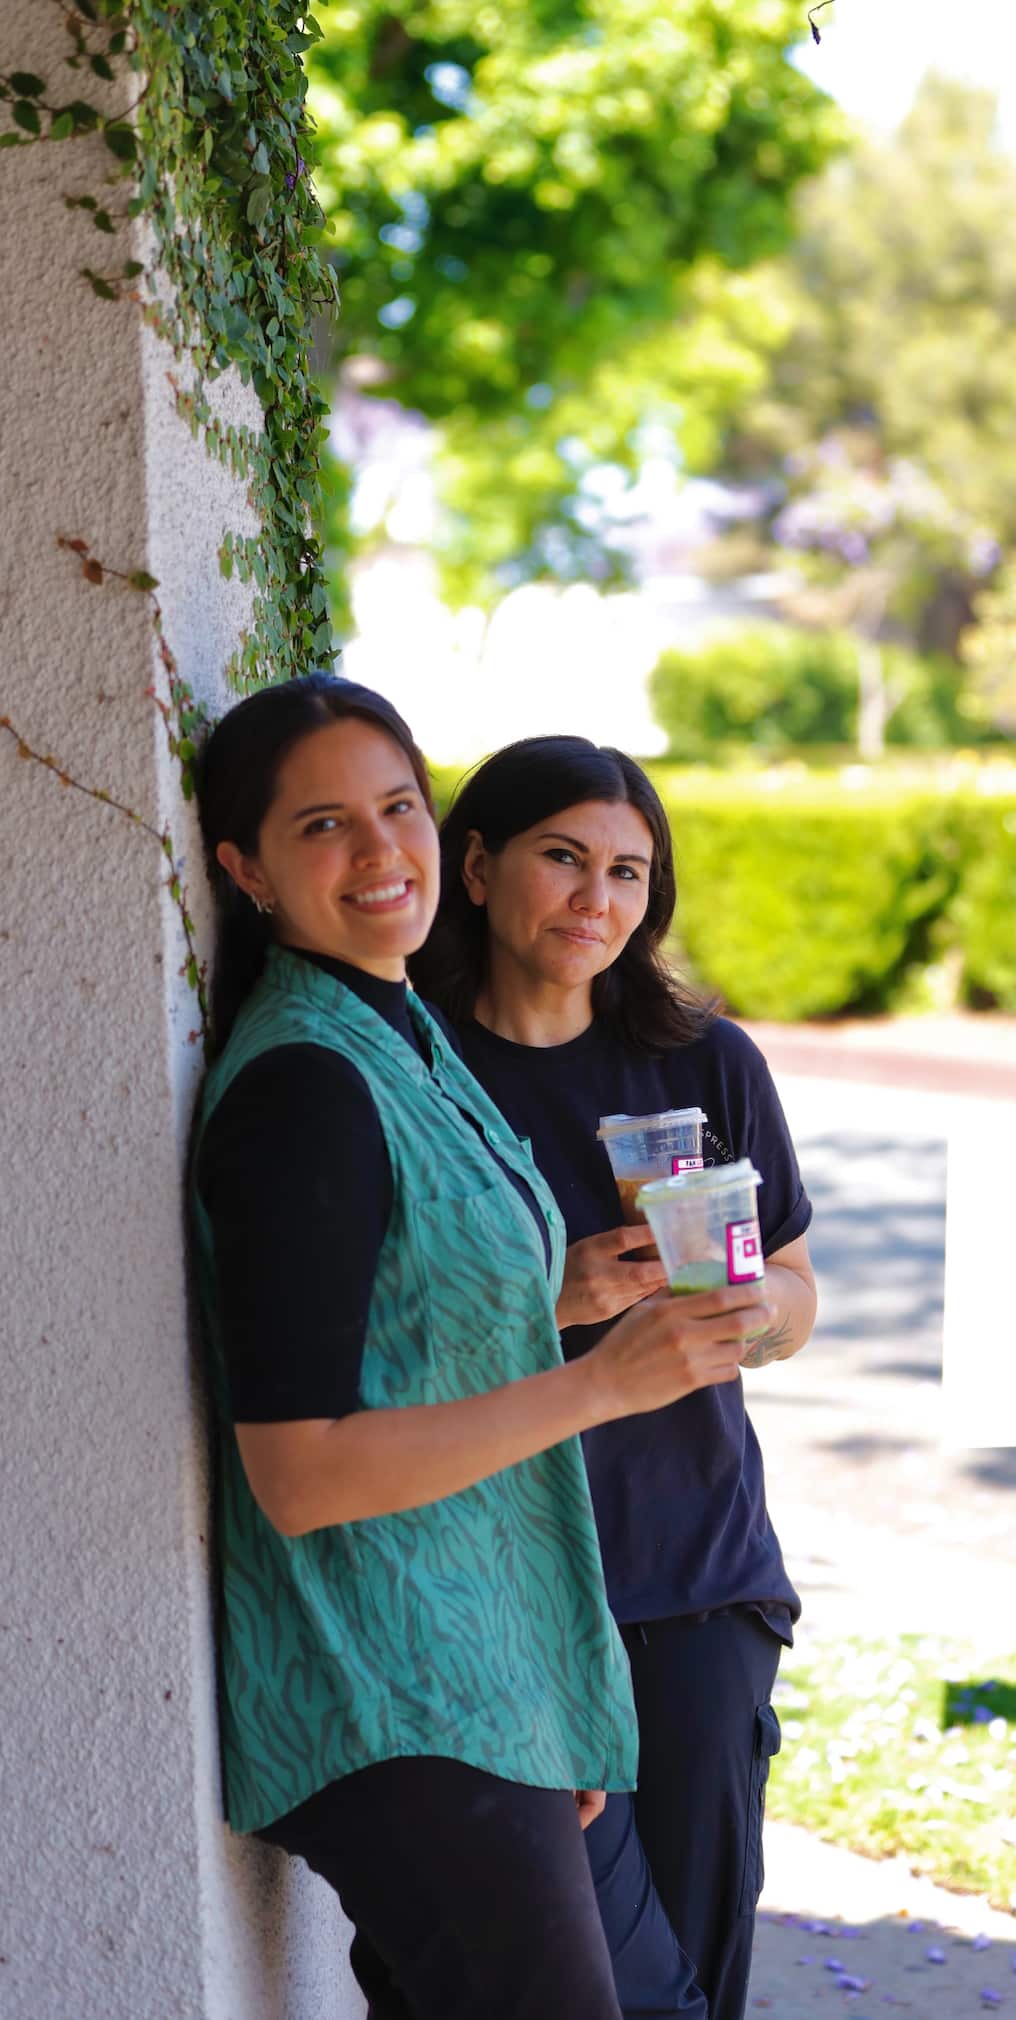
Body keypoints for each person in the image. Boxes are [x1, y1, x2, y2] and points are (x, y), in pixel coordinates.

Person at [191, 678, 770, 2020]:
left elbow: (401, 1318)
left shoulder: (396, 1033)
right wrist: (596, 1383)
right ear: (244, 867)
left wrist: (559, 1295)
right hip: (400, 1691)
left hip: (504, 1662)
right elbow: (301, 1473)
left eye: (396, 806)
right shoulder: (302, 1085)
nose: (380, 851)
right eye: (323, 824)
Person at [412, 735, 817, 2020]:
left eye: (629, 872)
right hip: (498, 1606)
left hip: (695, 1584)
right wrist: (558, 1300)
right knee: (550, 1980)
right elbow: (360, 1336)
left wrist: (744, 1323)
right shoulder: (414, 1072)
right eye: (563, 859)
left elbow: (800, 1293)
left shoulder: (703, 1063)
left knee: (689, 1981)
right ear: (475, 867)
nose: (597, 900)